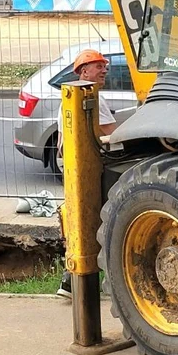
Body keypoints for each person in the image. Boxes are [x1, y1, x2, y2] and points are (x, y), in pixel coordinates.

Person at [55, 48, 121, 299]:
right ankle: (77, 282)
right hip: (86, 166)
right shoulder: (88, 96)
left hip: (75, 165)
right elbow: (112, 135)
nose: (104, 70)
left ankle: (72, 283)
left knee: (82, 219)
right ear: (84, 71)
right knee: (95, 218)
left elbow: (64, 139)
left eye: (105, 66)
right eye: (98, 66)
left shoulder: (71, 95)